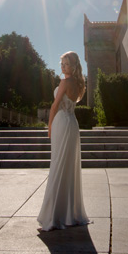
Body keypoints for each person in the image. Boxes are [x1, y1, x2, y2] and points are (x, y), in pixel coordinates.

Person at [37, 51, 90, 231]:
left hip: (61, 122)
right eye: (62, 63)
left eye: (66, 64)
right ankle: (69, 214)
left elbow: (54, 106)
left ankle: (55, 216)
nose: (63, 67)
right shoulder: (78, 84)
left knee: (58, 165)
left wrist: (49, 127)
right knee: (68, 167)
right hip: (73, 123)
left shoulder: (65, 82)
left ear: (73, 66)